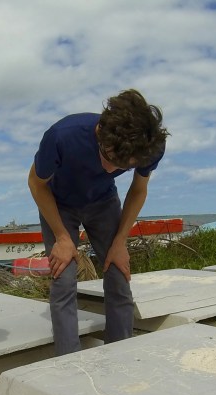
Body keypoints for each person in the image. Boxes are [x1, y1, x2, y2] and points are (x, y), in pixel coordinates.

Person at [28, 89, 168, 355]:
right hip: (59, 203)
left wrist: (120, 242)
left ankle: (119, 355)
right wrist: (62, 237)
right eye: (108, 158)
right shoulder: (61, 136)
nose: (110, 170)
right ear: (99, 131)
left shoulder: (150, 146)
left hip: (103, 203)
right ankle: (69, 361)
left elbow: (138, 189)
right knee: (64, 278)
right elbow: (36, 183)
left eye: (121, 167)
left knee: (118, 274)